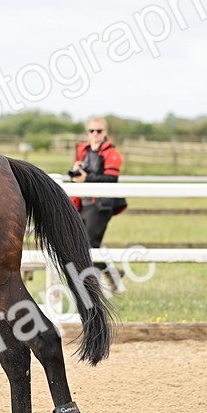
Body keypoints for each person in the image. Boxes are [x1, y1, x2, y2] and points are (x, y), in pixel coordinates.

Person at [69, 116, 127, 289]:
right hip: (84, 202)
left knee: (89, 244)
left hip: (102, 204)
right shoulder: (83, 150)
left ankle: (90, 285)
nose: (95, 134)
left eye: (99, 131)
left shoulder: (111, 153)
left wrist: (88, 178)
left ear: (105, 133)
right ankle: (112, 274)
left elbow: (111, 179)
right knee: (84, 241)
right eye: (91, 131)